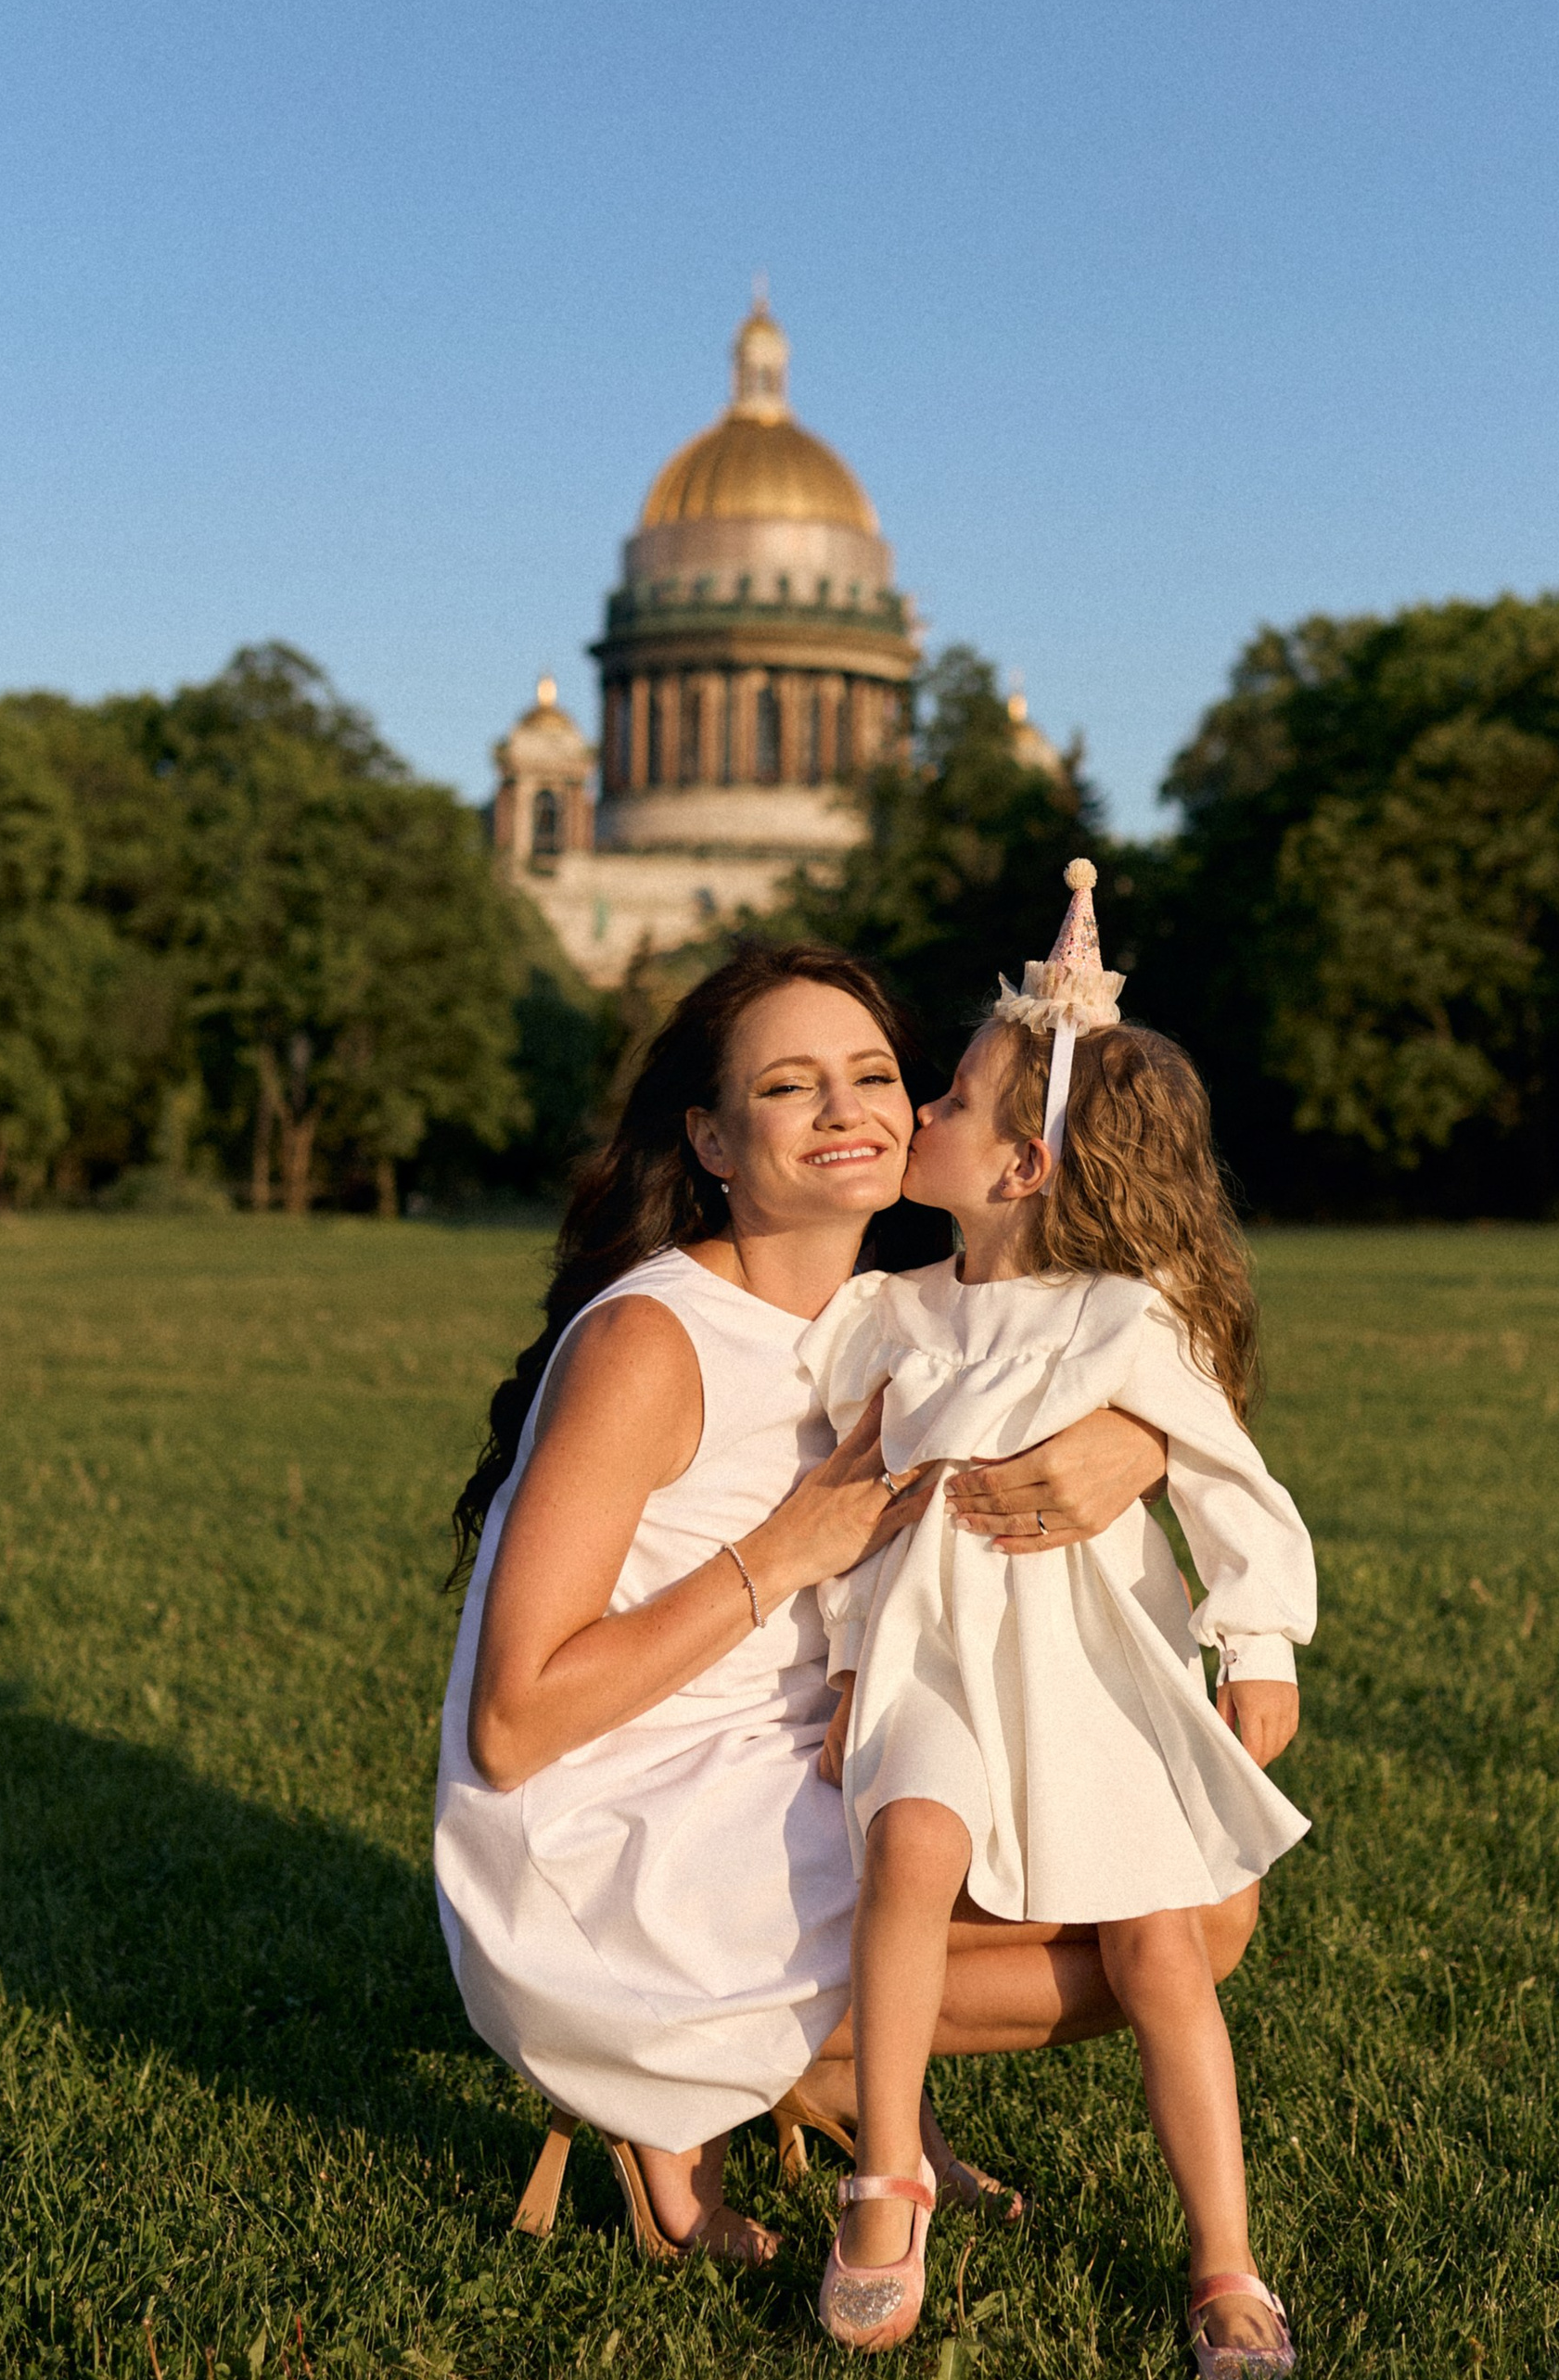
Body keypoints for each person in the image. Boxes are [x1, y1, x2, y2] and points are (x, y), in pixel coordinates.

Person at [434, 942, 1251, 2263]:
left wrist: (1139, 1444)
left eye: (875, 1075)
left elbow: (1105, 1343)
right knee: (1175, 1920)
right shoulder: (654, 1342)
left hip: (786, 1768)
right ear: (709, 1138)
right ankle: (690, 2075)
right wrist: (783, 1551)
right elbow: (515, 1727)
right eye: (788, 1087)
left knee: (1193, 1904)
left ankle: (799, 2068)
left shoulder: (892, 1314)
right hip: (614, 1834)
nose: (846, 1110)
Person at [801, 866, 1315, 2380]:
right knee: (912, 1845)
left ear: (1022, 1165)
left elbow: (1236, 1482)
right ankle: (886, 2175)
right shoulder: (885, 1320)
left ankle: (1225, 2260)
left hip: (1090, 1668)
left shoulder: (1117, 1323)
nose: (917, 1119)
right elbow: (840, 1515)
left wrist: (1258, 1639)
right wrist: (843, 1666)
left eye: (948, 1098)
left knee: (1163, 1943)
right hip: (930, 1659)